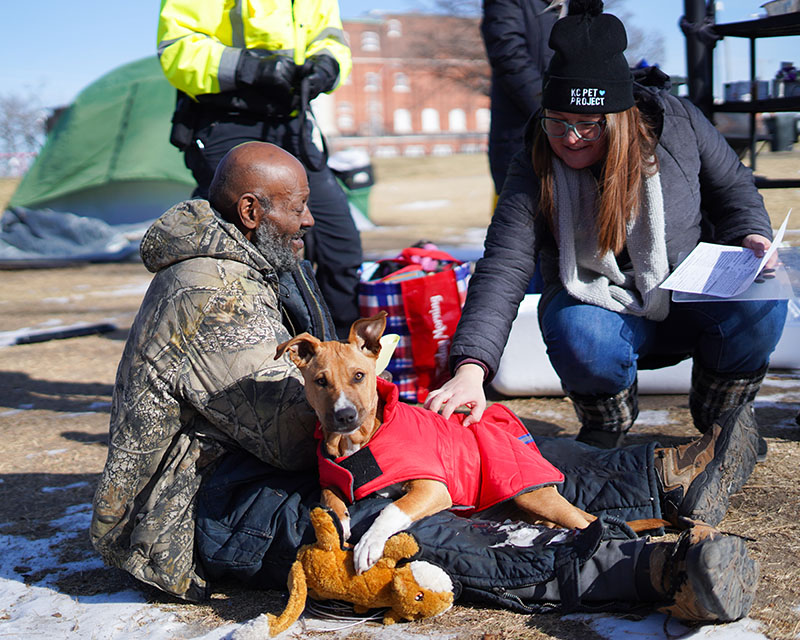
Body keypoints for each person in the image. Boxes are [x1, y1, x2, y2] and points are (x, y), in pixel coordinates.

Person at [91, 142, 758, 623]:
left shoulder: (250, 263)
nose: (310, 220)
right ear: (251, 211)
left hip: (267, 465)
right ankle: (645, 572)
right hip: (202, 505)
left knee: (486, 446)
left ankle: (661, 480)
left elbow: (339, 415)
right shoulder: (209, 295)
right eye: (296, 209)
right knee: (397, 526)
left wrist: (428, 435)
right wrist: (404, 430)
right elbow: (300, 431)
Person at [426, 0, 788, 451]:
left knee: (761, 302)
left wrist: (750, 234)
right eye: (557, 123)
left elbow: (734, 190)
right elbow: (504, 263)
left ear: (618, 119)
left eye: (587, 126)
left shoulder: (677, 124)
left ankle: (722, 420)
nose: (570, 139)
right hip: (600, 301)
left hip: (687, 289)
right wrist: (471, 369)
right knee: (579, 333)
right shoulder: (535, 159)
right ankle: (606, 421)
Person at [156, 0, 362, 337]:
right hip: (227, 118)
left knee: (341, 246)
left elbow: (331, 38)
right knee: (244, 246)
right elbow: (176, 50)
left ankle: (335, 360)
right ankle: (246, 351)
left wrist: (328, 65)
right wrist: (249, 67)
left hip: (291, 119)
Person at [481, 0, 558, 196]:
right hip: (522, 140)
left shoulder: (574, 6)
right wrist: (554, 112)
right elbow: (509, 55)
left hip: (566, 139)